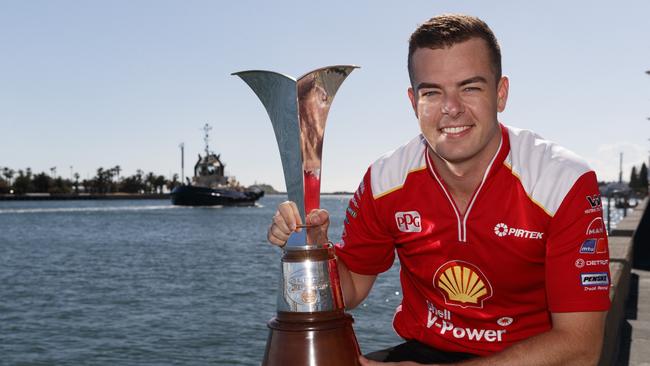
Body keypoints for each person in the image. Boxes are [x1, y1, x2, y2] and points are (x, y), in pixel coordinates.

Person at [267, 14, 610, 365]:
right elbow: (351, 287)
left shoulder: (561, 181)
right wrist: (314, 248)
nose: (451, 109)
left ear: (501, 93)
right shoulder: (386, 179)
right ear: (414, 101)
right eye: (432, 92)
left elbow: (580, 348)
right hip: (422, 351)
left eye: (470, 88)